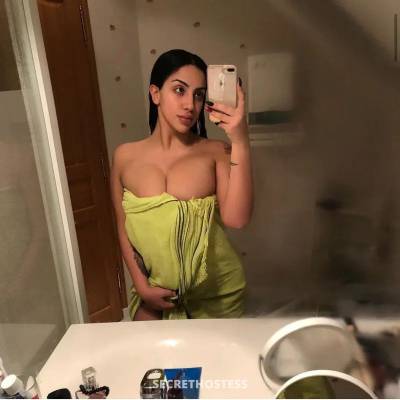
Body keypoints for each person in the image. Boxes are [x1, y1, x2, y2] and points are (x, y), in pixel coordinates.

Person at [110, 49, 253, 320]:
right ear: (155, 94)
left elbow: (237, 219)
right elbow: (122, 226)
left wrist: (240, 140)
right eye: (179, 90)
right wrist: (142, 287)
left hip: (217, 296)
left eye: (199, 95)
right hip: (153, 292)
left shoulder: (216, 151)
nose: (190, 105)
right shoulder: (124, 156)